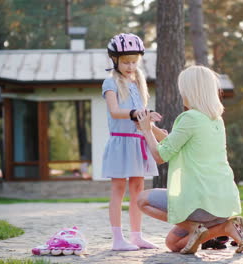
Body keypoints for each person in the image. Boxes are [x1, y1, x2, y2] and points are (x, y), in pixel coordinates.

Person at [136, 65, 243, 254]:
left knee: (142, 199)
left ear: (190, 90)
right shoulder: (215, 120)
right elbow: (178, 144)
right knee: (173, 243)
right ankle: (224, 227)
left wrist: (147, 131)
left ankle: (203, 227)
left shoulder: (189, 118)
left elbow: (160, 156)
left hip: (199, 204)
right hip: (222, 203)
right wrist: (151, 128)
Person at [102, 33, 167, 251]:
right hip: (121, 144)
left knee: (138, 189)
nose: (130, 66)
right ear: (115, 61)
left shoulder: (138, 84)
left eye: (134, 61)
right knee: (118, 189)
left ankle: (137, 236)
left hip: (137, 142)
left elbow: (141, 119)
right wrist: (135, 112)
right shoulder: (109, 82)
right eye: (125, 62)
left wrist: (157, 130)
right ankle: (118, 239)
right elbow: (114, 111)